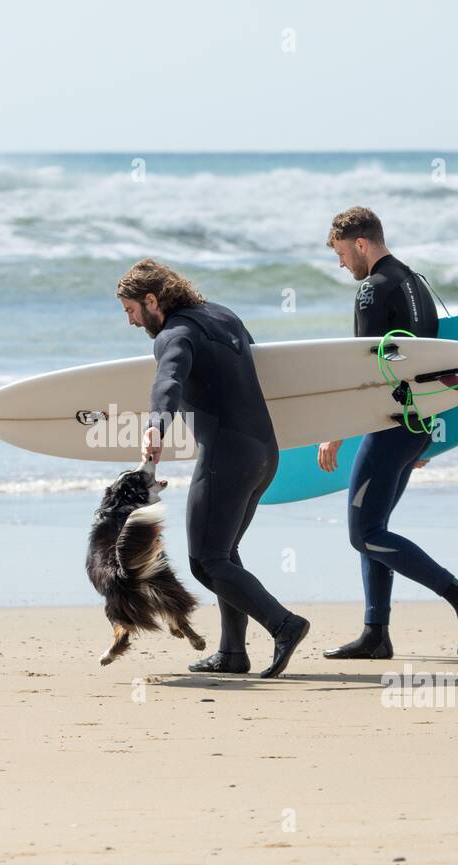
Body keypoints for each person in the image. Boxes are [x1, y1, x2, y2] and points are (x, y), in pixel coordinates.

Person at [117, 259, 310, 678]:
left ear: (152, 300)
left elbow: (167, 381)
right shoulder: (223, 315)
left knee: (205, 561)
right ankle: (233, 653)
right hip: (264, 453)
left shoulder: (174, 334)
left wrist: (155, 427)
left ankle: (284, 624)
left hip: (227, 456)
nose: (131, 321)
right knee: (225, 554)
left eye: (131, 310)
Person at [318, 207, 458, 659]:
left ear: (360, 243)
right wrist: (430, 432)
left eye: (340, 254)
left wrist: (336, 431)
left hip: (389, 426)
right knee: (376, 528)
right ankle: (376, 634)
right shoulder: (415, 283)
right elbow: (432, 363)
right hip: (416, 424)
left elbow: (366, 368)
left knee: (363, 533)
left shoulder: (373, 292)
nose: (341, 265)